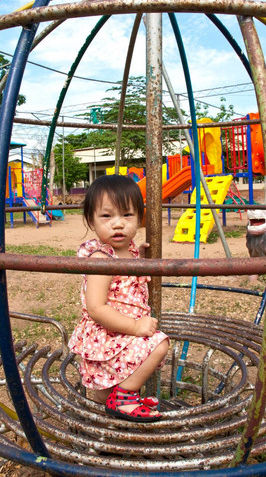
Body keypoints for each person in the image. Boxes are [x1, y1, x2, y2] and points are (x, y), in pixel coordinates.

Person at [68, 174, 169, 422]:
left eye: (127, 215)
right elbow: (96, 308)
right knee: (159, 343)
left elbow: (125, 282)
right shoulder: (102, 259)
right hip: (107, 333)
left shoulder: (129, 250)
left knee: (104, 399)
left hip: (120, 333)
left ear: (140, 218)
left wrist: (140, 263)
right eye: (107, 216)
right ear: (91, 221)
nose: (118, 224)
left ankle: (121, 400)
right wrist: (135, 326)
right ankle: (123, 398)